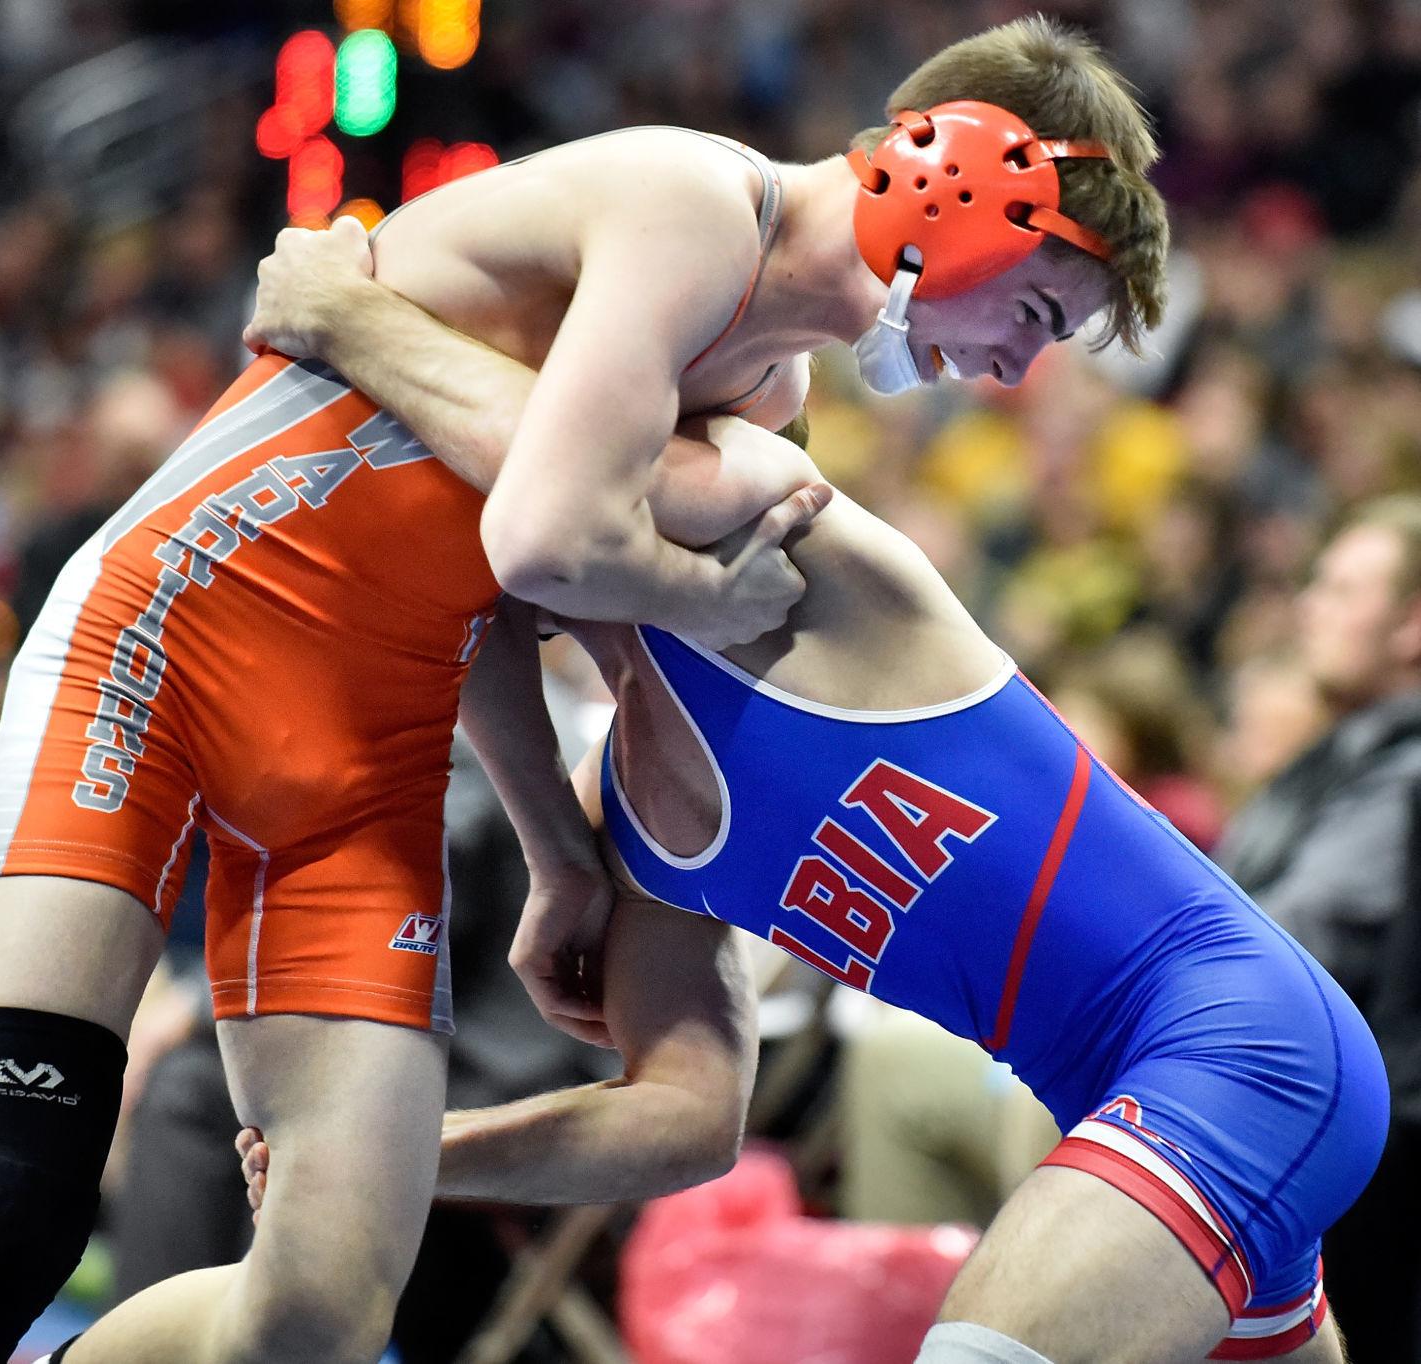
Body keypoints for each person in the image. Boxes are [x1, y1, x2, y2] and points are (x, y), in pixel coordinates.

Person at [0, 19, 1168, 1364]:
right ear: (962, 189)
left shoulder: (769, 386)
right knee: (14, 1194)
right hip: (166, 640)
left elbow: (507, 604)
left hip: (372, 742)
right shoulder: (691, 198)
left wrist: (559, 852)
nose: (1016, 368)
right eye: (1036, 314)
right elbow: (546, 537)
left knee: (317, 1308)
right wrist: (687, 587)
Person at [231, 226, 1380, 1364]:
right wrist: (401, 1150)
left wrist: (352, 320)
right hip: (1126, 1096)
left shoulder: (796, 554)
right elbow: (678, 1120)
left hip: (1240, 1045)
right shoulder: (628, 819)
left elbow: (555, 465)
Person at [1216, 497, 1421, 1364]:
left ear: (1412, 625)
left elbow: (1303, 940)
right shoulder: (1348, 751)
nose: (1310, 606)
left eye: (1341, 591)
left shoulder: (1405, 773)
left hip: (1345, 1142)